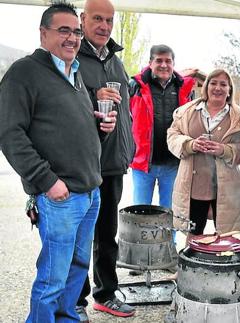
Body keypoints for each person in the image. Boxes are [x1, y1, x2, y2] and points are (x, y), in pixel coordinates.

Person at [0, 2, 116, 321]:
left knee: (76, 272)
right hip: (60, 197)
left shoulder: (73, 72)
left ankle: (67, 319)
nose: (72, 38)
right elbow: (9, 133)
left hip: (90, 192)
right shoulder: (25, 72)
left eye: (75, 31)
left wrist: (100, 129)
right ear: (43, 33)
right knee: (52, 280)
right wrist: (47, 181)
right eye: (63, 30)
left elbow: (66, 132)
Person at [74, 0, 135, 320]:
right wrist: (93, 98)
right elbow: (64, 109)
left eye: (109, 20)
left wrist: (130, 145)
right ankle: (75, 300)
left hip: (112, 162)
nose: (104, 25)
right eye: (97, 18)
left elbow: (124, 109)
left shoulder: (114, 61)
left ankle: (106, 293)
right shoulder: (71, 57)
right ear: (83, 20)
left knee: (107, 234)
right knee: (79, 235)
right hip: (83, 164)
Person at [167, 69, 240, 236]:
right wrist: (190, 145)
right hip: (194, 186)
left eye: (223, 84)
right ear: (206, 86)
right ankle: (193, 263)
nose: (218, 88)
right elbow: (172, 136)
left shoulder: (239, 116)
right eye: (213, 83)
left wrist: (224, 150)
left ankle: (220, 262)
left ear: (229, 89)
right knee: (194, 237)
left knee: (224, 238)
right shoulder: (186, 111)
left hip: (227, 188)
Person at [129, 44, 196, 215]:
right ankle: (140, 243)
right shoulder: (135, 86)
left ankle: (169, 243)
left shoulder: (185, 89)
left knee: (170, 215)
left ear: (174, 64)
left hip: (173, 164)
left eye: (168, 61)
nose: (164, 65)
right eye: (159, 60)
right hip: (143, 164)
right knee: (140, 214)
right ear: (150, 62)